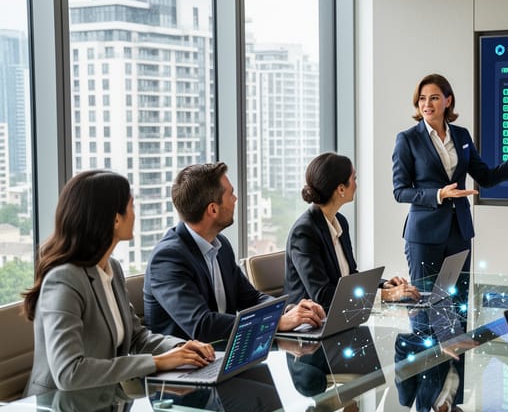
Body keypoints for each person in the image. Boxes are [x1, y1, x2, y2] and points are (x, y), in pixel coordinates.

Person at [22, 170, 214, 395]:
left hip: (104, 408)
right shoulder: (64, 279)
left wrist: (181, 348)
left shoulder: (111, 268)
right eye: (131, 206)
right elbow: (69, 372)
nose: (135, 214)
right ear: (115, 219)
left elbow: (135, 336)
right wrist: (158, 362)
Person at [392, 73, 508, 289]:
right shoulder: (408, 139)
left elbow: (485, 178)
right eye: (422, 98)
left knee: (459, 306)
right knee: (425, 305)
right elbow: (400, 191)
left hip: (459, 232)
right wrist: (440, 194)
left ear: (448, 101)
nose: (427, 104)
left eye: (434, 98)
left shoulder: (461, 136)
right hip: (424, 235)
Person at [144, 162, 325, 343]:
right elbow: (202, 325)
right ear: (213, 209)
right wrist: (274, 322)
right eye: (230, 194)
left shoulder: (220, 244)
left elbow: (251, 298)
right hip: (185, 367)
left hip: (227, 354)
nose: (235, 198)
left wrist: (289, 311)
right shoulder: (167, 258)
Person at [285, 152, 420, 308]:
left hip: (341, 314)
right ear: (341, 189)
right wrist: (385, 296)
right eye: (354, 179)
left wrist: (384, 285)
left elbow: (349, 276)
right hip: (311, 320)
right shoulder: (304, 232)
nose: (356, 184)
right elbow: (322, 295)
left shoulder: (340, 221)